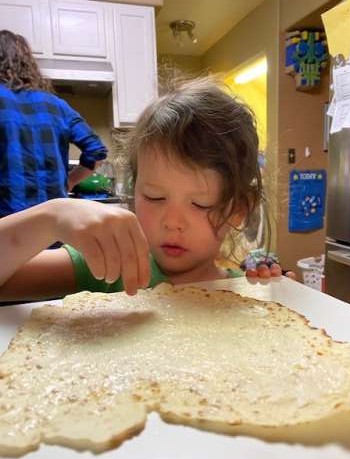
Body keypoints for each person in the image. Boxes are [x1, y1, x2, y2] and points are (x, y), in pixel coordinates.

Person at [0, 77, 286, 303]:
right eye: (154, 197)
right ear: (134, 192)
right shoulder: (109, 268)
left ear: (238, 209)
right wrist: (51, 217)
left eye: (200, 203)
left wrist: (280, 291)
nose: (172, 222)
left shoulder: (245, 293)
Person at [0, 30, 107, 218]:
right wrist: (70, 182)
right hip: (54, 225)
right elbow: (96, 150)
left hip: (8, 228)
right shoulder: (56, 105)